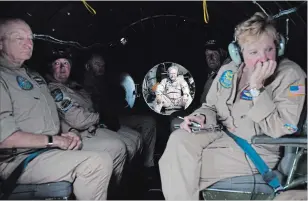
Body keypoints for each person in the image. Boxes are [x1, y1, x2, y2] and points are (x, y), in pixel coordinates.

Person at [159, 12, 306, 200]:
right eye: (253, 52)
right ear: (237, 52)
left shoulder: (291, 76)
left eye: (269, 49)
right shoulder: (229, 70)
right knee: (178, 140)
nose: (264, 58)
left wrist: (257, 89)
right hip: (219, 133)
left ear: (279, 47)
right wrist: (201, 116)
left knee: (179, 168)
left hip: (256, 146)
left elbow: (283, 127)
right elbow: (210, 106)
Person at [0, 18, 113, 200]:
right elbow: (4, 139)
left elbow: (49, 116)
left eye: (30, 38)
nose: (28, 43)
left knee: (113, 150)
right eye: (18, 38)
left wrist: (67, 134)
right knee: (98, 163)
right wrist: (54, 140)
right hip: (18, 159)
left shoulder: (32, 76)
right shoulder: (3, 78)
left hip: (46, 149)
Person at [45, 51, 143, 185]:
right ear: (51, 67)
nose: (62, 68)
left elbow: (93, 105)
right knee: (122, 146)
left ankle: (124, 185)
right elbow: (78, 120)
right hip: (79, 133)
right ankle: (114, 189)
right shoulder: (55, 90)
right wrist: (100, 117)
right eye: (57, 64)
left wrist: (103, 116)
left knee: (134, 139)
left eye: (66, 64)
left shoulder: (74, 86)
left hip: (93, 126)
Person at [83, 53, 157, 175]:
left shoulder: (107, 81)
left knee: (149, 121)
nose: (101, 67)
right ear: (87, 66)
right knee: (131, 140)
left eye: (103, 65)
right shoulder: (84, 86)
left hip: (116, 117)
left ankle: (148, 165)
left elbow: (117, 103)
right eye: (97, 64)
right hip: (102, 121)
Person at [170, 39, 231, 132]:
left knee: (175, 123)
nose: (210, 58)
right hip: (202, 111)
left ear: (223, 53)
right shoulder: (212, 73)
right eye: (207, 55)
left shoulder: (227, 73)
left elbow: (219, 106)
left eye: (214, 54)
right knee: (174, 113)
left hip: (213, 118)